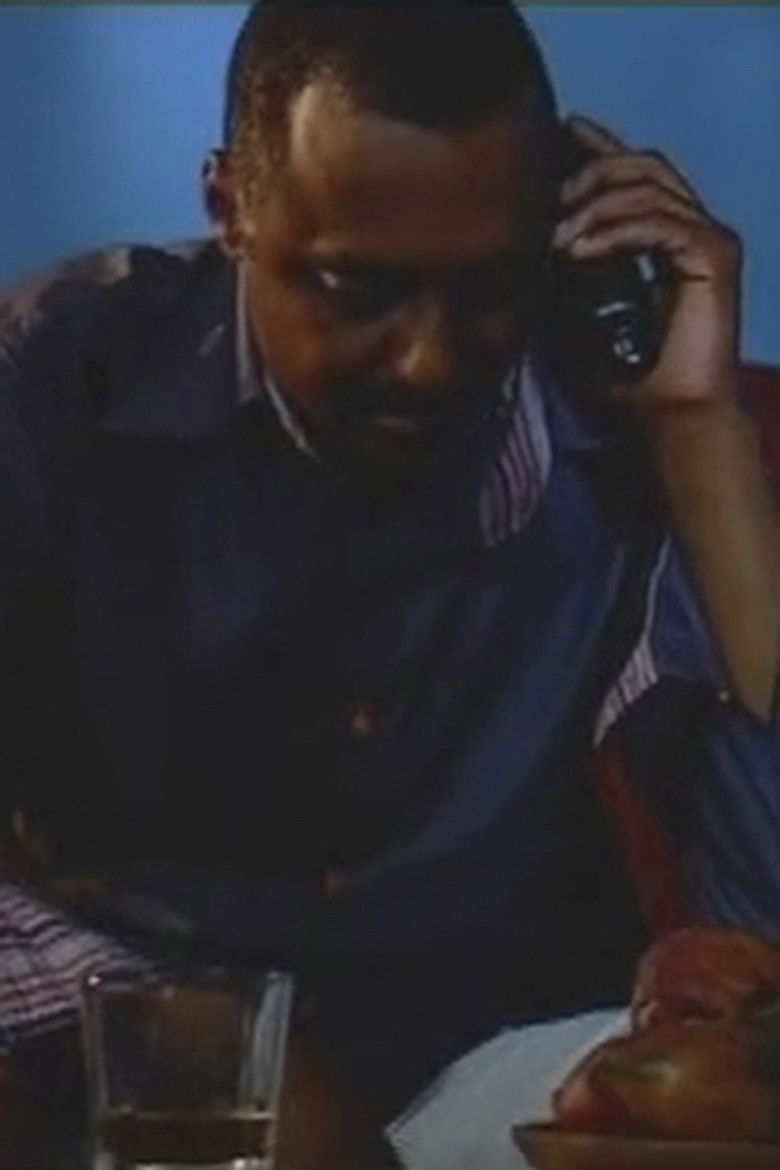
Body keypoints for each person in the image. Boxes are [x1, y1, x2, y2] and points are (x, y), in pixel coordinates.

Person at [1, 0, 779, 1157]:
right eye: (355, 291)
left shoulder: (617, 414)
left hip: (505, 1080)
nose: (427, 362)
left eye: (489, 288)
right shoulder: (53, 378)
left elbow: (763, 923)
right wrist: (213, 1046)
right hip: (143, 1081)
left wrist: (701, 431)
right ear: (230, 207)